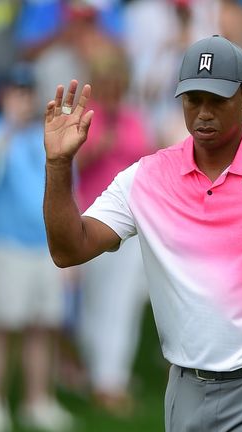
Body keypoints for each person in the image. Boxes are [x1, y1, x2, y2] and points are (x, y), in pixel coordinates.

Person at [43, 35, 242, 432]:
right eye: (193, 100)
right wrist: (58, 165)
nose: (203, 113)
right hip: (185, 390)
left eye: (217, 100)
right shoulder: (146, 178)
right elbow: (69, 250)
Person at [0, 63, 73, 432]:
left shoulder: (45, 134)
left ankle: (38, 402)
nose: (23, 97)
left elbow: (66, 186)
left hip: (47, 246)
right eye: (16, 91)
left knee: (43, 326)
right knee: (0, 327)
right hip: (5, 243)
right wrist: (7, 126)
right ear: (3, 95)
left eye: (27, 91)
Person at [73, 47, 152, 416]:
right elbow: (71, 163)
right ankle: (99, 374)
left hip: (132, 222)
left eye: (117, 81)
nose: (113, 88)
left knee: (123, 302)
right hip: (93, 218)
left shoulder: (135, 117)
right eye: (106, 81)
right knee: (95, 300)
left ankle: (112, 377)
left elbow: (148, 159)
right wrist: (100, 143)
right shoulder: (86, 118)